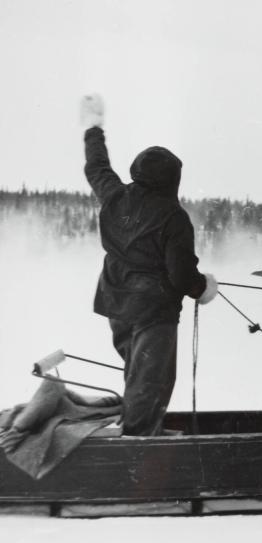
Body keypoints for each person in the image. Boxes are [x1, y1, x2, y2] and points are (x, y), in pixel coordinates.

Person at [80, 94, 217, 436]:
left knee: (137, 375)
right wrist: (204, 288)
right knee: (150, 384)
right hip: (153, 310)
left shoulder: (115, 195)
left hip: (116, 301)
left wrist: (93, 129)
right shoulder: (174, 217)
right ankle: (135, 452)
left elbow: (97, 167)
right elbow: (182, 275)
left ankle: (136, 434)